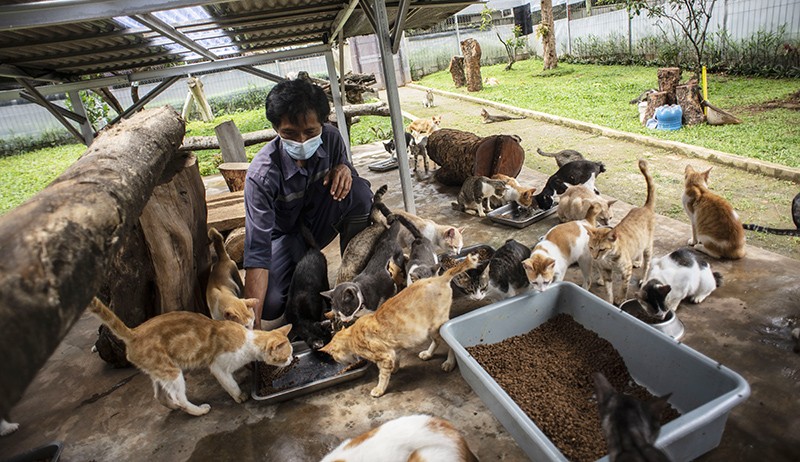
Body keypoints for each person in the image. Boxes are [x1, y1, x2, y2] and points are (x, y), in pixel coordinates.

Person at [243, 78, 373, 330]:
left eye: (310, 132)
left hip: (317, 224)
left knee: (358, 192)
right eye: (290, 133)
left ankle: (354, 279)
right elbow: (256, 252)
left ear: (322, 124)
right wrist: (254, 328)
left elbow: (349, 177)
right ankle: (298, 266)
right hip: (283, 235)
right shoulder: (261, 175)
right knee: (270, 304)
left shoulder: (332, 139)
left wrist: (344, 168)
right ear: (275, 129)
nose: (302, 141)